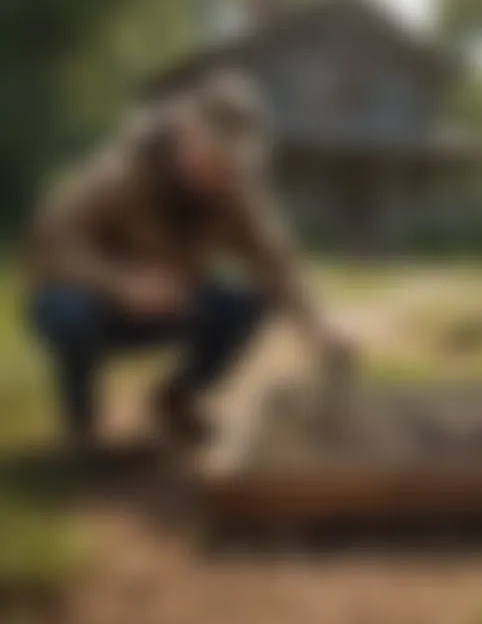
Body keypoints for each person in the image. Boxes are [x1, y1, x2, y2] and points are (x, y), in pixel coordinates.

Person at [26, 71, 351, 463]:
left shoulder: (235, 189)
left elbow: (277, 261)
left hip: (169, 306)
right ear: (185, 132)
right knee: (68, 312)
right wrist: (120, 283)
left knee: (247, 302)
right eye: (212, 156)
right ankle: (83, 431)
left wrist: (319, 326)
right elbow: (49, 242)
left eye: (231, 163)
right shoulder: (118, 173)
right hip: (95, 306)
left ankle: (177, 400)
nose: (220, 173)